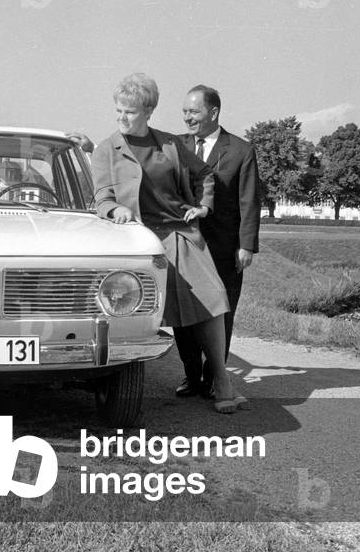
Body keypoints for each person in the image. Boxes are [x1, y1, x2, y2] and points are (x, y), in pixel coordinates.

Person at [91, 73, 246, 413]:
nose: (121, 118)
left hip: (180, 232)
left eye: (129, 112)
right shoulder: (106, 150)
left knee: (213, 298)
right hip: (138, 239)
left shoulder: (171, 144)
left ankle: (221, 378)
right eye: (118, 111)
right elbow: (101, 198)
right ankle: (128, 384)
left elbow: (205, 174)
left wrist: (203, 206)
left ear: (148, 111)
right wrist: (115, 208)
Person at [175, 85, 260, 398]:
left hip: (224, 250)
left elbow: (249, 202)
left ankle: (215, 378)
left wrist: (246, 245)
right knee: (182, 315)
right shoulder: (176, 145)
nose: (187, 118)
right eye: (184, 111)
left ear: (213, 112)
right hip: (183, 247)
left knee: (221, 314)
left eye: (193, 112)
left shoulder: (240, 150)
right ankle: (191, 376)